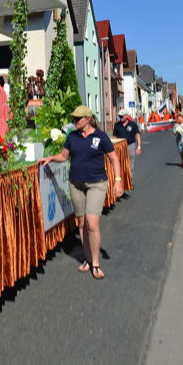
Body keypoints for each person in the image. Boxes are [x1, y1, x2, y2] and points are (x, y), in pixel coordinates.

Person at [39, 105, 122, 280]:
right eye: (74, 119)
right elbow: (63, 156)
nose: (75, 121)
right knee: (82, 224)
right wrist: (51, 158)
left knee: (92, 224)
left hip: (97, 184)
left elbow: (114, 158)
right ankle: (87, 259)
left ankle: (96, 263)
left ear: (88, 119)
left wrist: (118, 181)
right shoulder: (72, 137)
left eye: (78, 119)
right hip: (76, 184)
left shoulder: (100, 137)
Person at [113, 109, 141, 176]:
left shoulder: (133, 124)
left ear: (126, 116)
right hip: (120, 147)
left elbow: (137, 136)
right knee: (120, 164)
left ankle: (129, 182)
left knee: (130, 165)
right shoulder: (117, 125)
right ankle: (121, 181)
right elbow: (114, 137)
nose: (120, 117)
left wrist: (139, 147)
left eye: (122, 116)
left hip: (130, 146)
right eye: (119, 116)